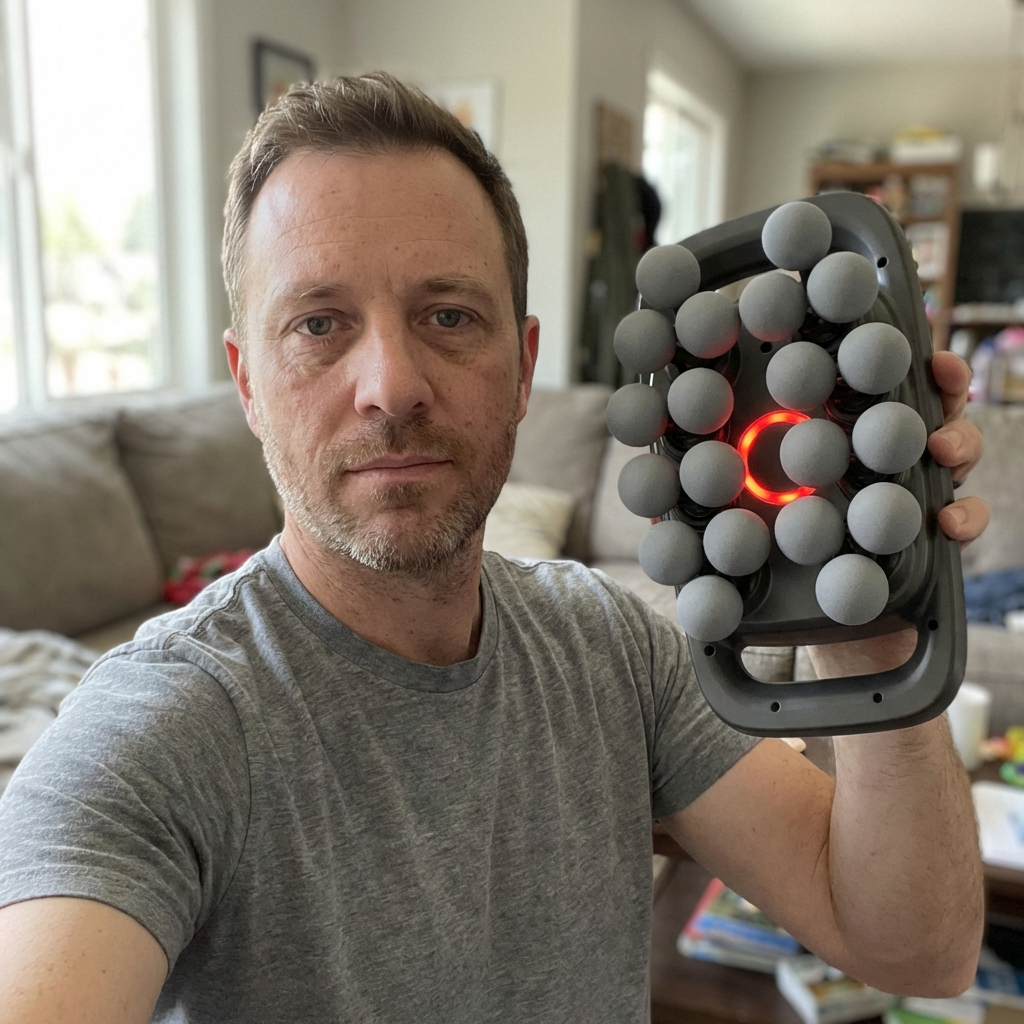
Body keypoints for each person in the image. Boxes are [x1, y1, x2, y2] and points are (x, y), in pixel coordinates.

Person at [0, 73, 990, 1024]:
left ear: (522, 369)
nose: (390, 385)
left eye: (448, 316)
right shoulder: (157, 737)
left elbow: (916, 951)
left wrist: (866, 633)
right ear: (248, 384)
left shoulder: (610, 650)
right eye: (318, 323)